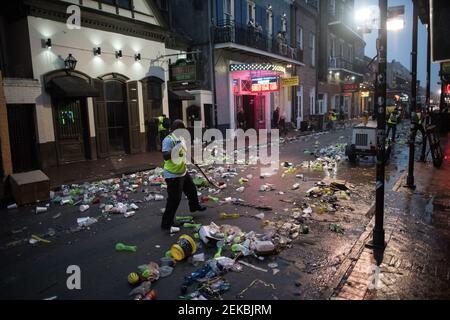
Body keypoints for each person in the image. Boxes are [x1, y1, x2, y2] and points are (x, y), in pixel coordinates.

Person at [161, 120, 206, 231]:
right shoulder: (168, 140)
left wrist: (193, 161)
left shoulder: (181, 139)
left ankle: (194, 206)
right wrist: (176, 148)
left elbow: (185, 152)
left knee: (191, 190)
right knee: (174, 200)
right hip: (172, 175)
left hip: (182, 171)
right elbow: (165, 156)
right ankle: (166, 223)